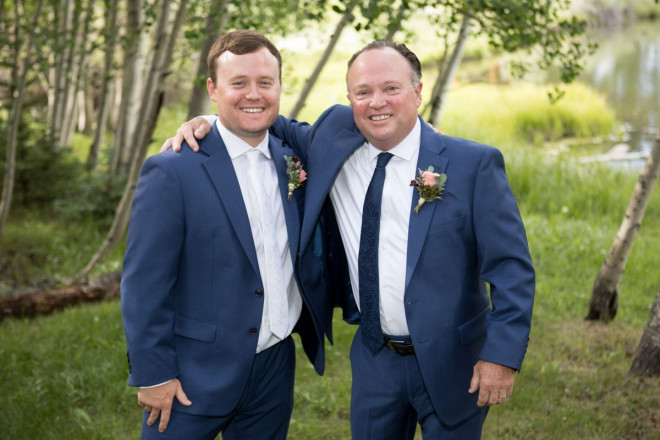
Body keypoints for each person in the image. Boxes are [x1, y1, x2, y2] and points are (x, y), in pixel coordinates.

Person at [167, 40, 535, 439]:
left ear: (418, 91)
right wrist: (205, 119)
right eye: (363, 92)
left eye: (391, 89)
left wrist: (501, 356)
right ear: (349, 99)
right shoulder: (331, 142)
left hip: (455, 361)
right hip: (375, 358)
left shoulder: (471, 164)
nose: (377, 102)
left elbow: (512, 270)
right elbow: (259, 115)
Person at [120, 30, 334, 440]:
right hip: (192, 374)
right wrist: (153, 373)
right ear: (212, 89)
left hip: (273, 366)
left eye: (264, 83)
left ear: (279, 87)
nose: (253, 94)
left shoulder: (294, 160)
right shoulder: (173, 170)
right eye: (238, 83)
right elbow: (144, 283)